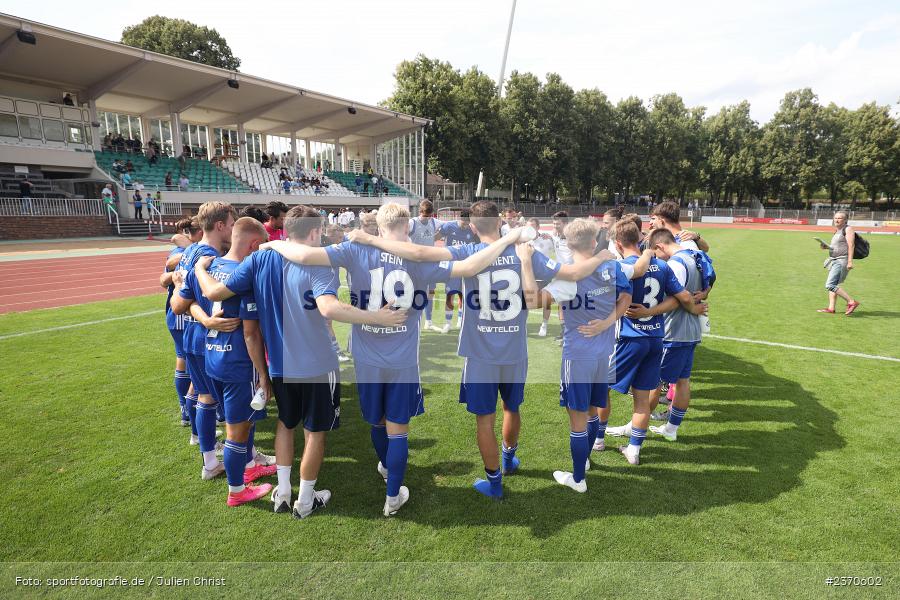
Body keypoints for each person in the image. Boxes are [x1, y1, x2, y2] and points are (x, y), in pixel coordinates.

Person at [263, 202, 528, 515]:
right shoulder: (418, 257)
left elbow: (305, 255)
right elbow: (468, 268)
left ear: (379, 226)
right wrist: (509, 240)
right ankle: (392, 496)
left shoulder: (354, 249)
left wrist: (274, 242)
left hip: (365, 356)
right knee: (398, 428)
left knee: (377, 420)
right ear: (407, 227)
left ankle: (389, 469)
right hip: (402, 358)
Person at [349, 200, 616, 499]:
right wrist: (602, 256)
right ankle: (507, 458)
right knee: (511, 407)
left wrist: (372, 239)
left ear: (473, 227)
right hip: (515, 348)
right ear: (500, 222)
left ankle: (495, 482)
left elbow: (420, 252)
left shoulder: (469, 251)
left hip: (479, 351)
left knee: (484, 419)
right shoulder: (525, 252)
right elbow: (571, 273)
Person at [195, 205, 407, 519]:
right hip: (317, 363)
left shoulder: (259, 258)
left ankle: (283, 491)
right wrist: (377, 317)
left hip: (278, 363)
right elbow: (329, 309)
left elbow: (214, 290)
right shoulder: (320, 262)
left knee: (285, 423)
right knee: (314, 433)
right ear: (312, 231)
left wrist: (200, 269)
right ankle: (306, 500)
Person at [520, 218, 632, 492]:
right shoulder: (611, 266)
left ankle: (578, 478)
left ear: (567, 245)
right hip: (605, 353)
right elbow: (626, 297)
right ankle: (586, 460)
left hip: (577, 356)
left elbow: (532, 301)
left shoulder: (567, 276)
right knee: (593, 411)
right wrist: (607, 323)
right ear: (594, 242)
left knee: (578, 419)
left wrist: (525, 261)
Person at [189, 218, 277, 507]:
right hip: (238, 361)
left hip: (212, 355)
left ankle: (248, 468)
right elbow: (251, 334)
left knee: (239, 423)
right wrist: (263, 375)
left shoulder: (210, 267)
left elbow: (190, 301)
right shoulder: (245, 275)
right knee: (236, 430)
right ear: (253, 244)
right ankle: (237, 490)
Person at [602, 221, 705, 464]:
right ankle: (634, 449)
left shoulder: (619, 266)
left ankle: (597, 440)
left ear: (618, 243)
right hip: (656, 339)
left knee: (600, 387)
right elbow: (682, 298)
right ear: (639, 240)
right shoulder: (662, 266)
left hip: (629, 338)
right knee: (641, 398)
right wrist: (696, 308)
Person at [625, 228, 711, 443]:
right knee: (683, 381)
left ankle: (634, 431)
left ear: (660, 246)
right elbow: (709, 279)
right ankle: (671, 429)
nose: (655, 258)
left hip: (674, 330)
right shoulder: (694, 254)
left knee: (654, 382)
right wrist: (702, 297)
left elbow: (678, 297)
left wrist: (647, 312)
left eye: (655, 253)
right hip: (692, 329)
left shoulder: (675, 263)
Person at [170, 202, 236, 457]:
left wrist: (178, 288)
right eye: (231, 225)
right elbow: (183, 303)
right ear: (220, 226)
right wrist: (206, 319)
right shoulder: (209, 257)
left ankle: (203, 446)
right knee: (216, 397)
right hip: (207, 335)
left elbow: (179, 299)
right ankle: (239, 455)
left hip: (193, 333)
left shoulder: (192, 250)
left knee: (203, 394)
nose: (233, 229)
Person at [159, 218, 203, 428]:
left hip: (183, 312)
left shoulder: (190, 248)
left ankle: (188, 410)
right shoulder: (181, 251)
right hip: (180, 314)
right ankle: (187, 410)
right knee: (188, 361)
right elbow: (166, 272)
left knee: (186, 360)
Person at [435, 208, 479, 332]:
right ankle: (448, 323)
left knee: (463, 295)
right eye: (464, 222)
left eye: (467, 222)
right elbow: (434, 238)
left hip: (466, 267)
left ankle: (460, 320)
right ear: (459, 218)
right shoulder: (449, 226)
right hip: (451, 267)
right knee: (450, 295)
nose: (465, 225)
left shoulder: (471, 231)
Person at [407, 200, 444, 332]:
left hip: (430, 264)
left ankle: (428, 321)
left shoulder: (434, 222)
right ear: (420, 212)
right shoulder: (412, 223)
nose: (426, 218)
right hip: (414, 264)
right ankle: (412, 321)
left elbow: (450, 226)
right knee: (414, 293)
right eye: (424, 215)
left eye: (428, 216)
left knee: (431, 293)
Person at [818, 211, 860, 315]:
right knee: (834, 284)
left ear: (845, 220)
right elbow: (838, 246)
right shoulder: (837, 231)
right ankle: (831, 308)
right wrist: (826, 247)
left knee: (830, 284)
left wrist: (850, 262)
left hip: (841, 261)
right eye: (835, 218)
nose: (836, 220)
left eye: (840, 218)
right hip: (835, 260)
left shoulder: (848, 229)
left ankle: (851, 301)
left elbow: (851, 245)